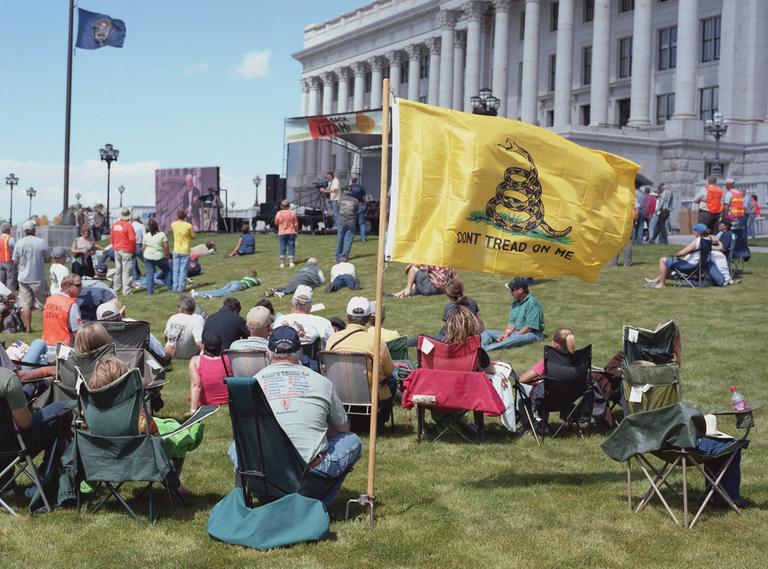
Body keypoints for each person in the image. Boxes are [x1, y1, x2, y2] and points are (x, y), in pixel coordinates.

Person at [228, 326, 362, 507]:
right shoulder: (322, 382)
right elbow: (343, 428)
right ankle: (319, 502)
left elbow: (244, 434)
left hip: (262, 474)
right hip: (307, 476)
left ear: (268, 352)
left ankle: (267, 499)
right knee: (352, 440)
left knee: (236, 447)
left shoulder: (252, 384)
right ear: (299, 351)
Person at [326, 297, 397, 426]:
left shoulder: (332, 340)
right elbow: (388, 371)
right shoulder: (377, 342)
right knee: (393, 378)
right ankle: (380, 419)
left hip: (339, 395)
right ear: (369, 318)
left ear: (347, 316)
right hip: (369, 397)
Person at [0, 366, 71, 492]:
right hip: (10, 448)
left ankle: (5, 484)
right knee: (62, 409)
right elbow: (25, 424)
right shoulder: (6, 378)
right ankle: (47, 482)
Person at [516, 327, 577, 435]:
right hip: (569, 398)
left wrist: (535, 382)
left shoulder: (549, 360)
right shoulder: (579, 360)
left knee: (521, 390)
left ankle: (531, 426)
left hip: (548, 400)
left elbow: (523, 379)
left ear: (555, 343)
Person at [22, 274, 82, 366]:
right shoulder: (72, 305)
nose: (81, 287)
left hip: (45, 347)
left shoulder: (50, 300)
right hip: (63, 350)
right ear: (68, 287)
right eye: (78, 285)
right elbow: (78, 333)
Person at [644, 223, 725, 288]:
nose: (695, 232)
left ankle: (662, 284)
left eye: (696, 231)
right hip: (699, 266)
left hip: (689, 266)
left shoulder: (697, 241)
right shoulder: (708, 241)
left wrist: (676, 255)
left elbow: (681, 253)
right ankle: (655, 281)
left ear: (699, 232)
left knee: (663, 260)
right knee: (670, 263)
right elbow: (718, 244)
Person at [96, 299, 171, 364]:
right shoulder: (134, 325)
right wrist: (165, 355)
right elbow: (155, 346)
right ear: (119, 315)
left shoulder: (94, 334)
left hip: (108, 372)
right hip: (136, 368)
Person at [483, 277, 545, 351]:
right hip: (516, 332)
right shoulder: (515, 303)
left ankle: (486, 349)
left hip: (532, 334)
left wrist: (512, 336)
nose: (511, 292)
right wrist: (506, 334)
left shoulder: (532, 303)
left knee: (515, 338)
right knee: (487, 332)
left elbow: (529, 327)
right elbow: (512, 323)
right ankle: (480, 347)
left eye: (512, 290)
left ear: (520, 290)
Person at [12, 220, 50, 333]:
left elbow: (15, 261)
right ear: (34, 229)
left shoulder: (19, 243)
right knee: (42, 305)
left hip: (23, 278)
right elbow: (48, 259)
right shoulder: (41, 242)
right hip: (37, 277)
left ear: (24, 231)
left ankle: (27, 328)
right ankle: (46, 329)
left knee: (25, 304)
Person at [188, 335, 229, 415]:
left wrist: (193, 410)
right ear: (221, 346)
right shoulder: (229, 359)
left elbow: (196, 385)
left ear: (203, 346)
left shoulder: (195, 361)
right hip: (227, 401)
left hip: (206, 402)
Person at [110, 208, 136, 297]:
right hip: (126, 249)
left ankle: (116, 289)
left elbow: (112, 238)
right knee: (126, 271)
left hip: (117, 249)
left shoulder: (115, 225)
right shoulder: (128, 226)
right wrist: (133, 249)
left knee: (118, 270)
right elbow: (132, 239)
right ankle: (126, 291)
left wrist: (114, 246)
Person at [142, 218, 173, 294]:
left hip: (147, 256)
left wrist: (144, 254)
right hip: (159, 256)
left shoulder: (146, 236)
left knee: (150, 273)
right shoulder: (162, 234)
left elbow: (143, 247)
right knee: (168, 271)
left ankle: (150, 292)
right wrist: (167, 254)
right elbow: (166, 246)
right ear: (156, 226)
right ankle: (170, 288)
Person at [393, 264, 459, 299]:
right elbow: (456, 278)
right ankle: (399, 294)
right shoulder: (450, 265)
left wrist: (411, 265)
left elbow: (421, 266)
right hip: (442, 290)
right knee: (418, 283)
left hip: (429, 288)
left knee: (413, 269)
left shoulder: (432, 262)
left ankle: (407, 290)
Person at [191, 270, 260, 299]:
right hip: (239, 285)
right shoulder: (254, 280)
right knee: (224, 293)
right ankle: (209, 295)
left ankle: (197, 293)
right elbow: (258, 282)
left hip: (234, 282)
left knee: (220, 290)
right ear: (255, 276)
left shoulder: (245, 277)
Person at [171, 210, 195, 293]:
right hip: (185, 250)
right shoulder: (188, 225)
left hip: (176, 249)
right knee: (183, 270)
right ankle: (180, 288)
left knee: (175, 269)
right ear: (185, 216)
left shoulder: (173, 224)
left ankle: (174, 287)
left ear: (177, 216)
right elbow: (193, 236)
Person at [334, 189, 359, 262]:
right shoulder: (355, 201)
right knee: (348, 240)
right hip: (351, 221)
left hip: (341, 221)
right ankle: (344, 256)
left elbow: (337, 209)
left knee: (340, 239)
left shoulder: (340, 199)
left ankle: (337, 255)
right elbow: (356, 211)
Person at [274, 199, 299, 268]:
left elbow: (276, 223)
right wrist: (297, 232)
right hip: (291, 232)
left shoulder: (278, 213)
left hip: (282, 232)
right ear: (289, 206)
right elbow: (296, 224)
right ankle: (291, 262)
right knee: (291, 246)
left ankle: (282, 263)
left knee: (282, 246)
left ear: (281, 206)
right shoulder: (292, 213)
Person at [348, 175, 367, 241]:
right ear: (357, 180)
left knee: (351, 222)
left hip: (351, 205)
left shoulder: (349, 188)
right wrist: (365, 205)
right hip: (360, 204)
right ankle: (363, 238)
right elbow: (364, 198)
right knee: (362, 223)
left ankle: (350, 237)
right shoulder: (361, 187)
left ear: (351, 180)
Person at [0, 223, 17, 292]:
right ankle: (10, 298)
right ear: (9, 230)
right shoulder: (10, 238)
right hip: (8, 261)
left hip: (0, 262)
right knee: (11, 281)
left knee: (1, 280)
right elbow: (15, 250)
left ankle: (1, 297)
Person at [131, 215, 146, 282]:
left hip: (131, 245)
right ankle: (152, 271)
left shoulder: (130, 225)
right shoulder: (141, 226)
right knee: (145, 260)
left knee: (133, 261)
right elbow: (144, 236)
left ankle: (135, 276)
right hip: (138, 244)